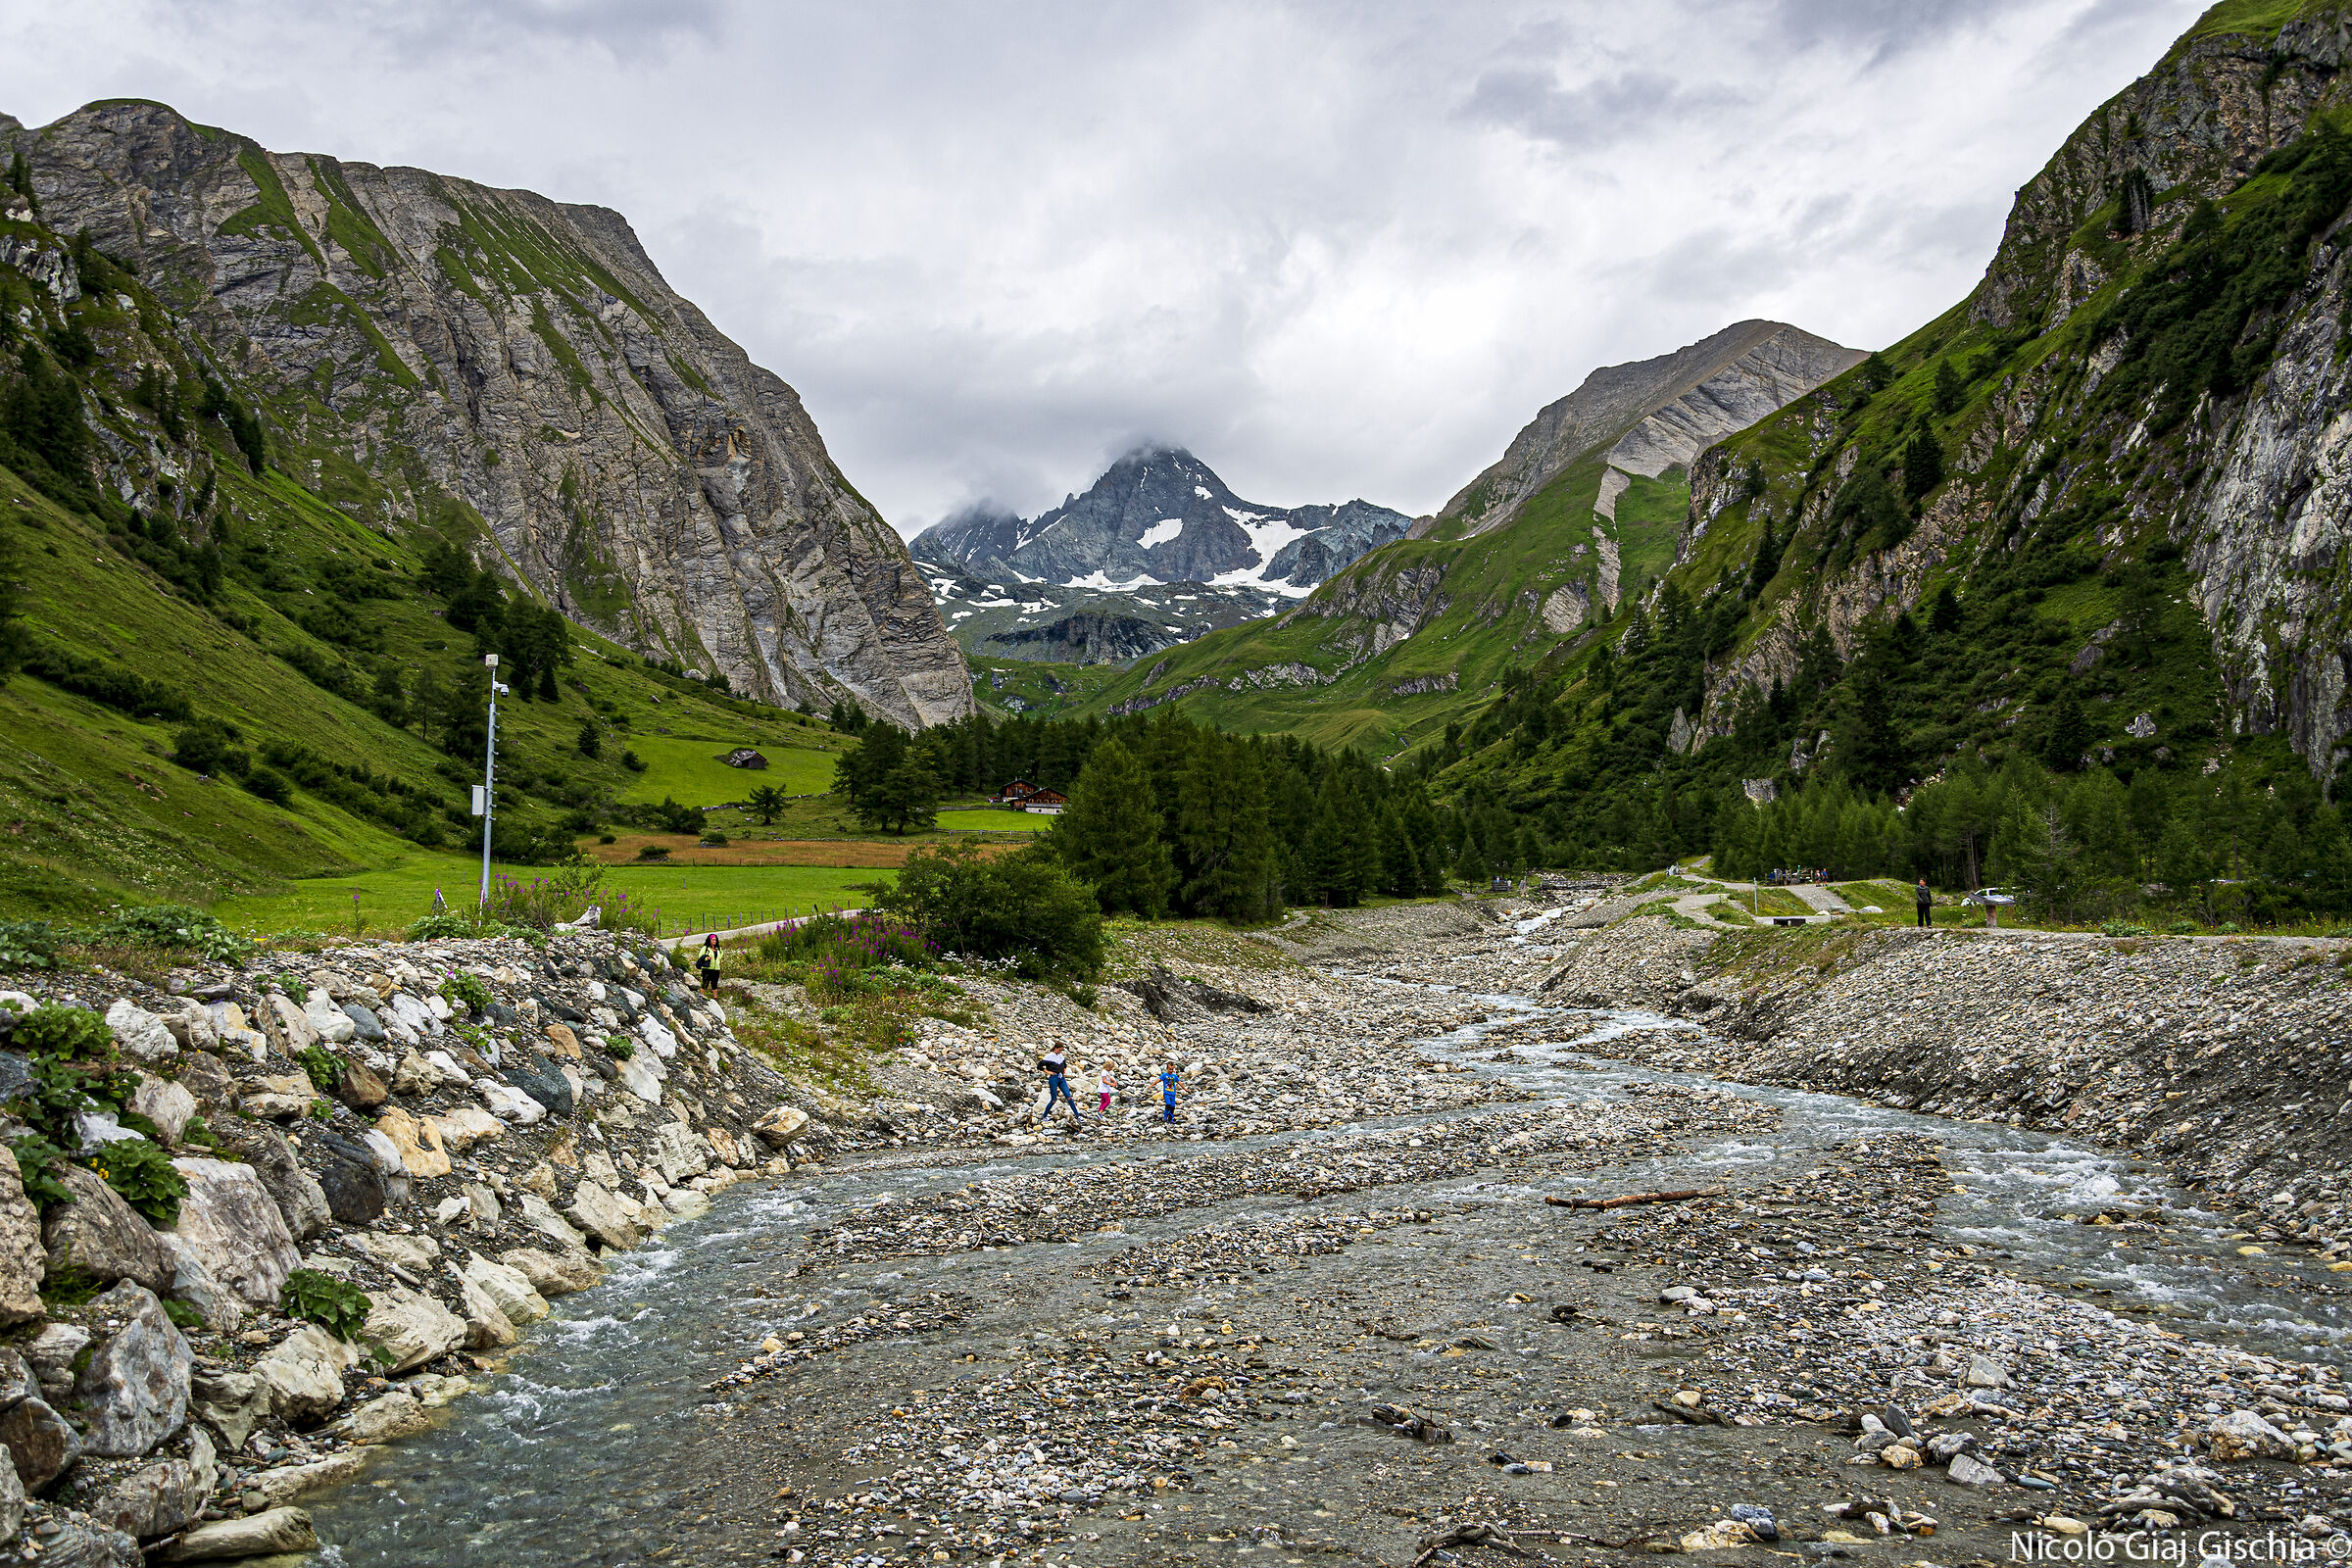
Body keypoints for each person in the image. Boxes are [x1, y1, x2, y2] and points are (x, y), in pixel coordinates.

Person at [1040, 1042, 1081, 1122]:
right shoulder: (1049, 1056)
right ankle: (1044, 1116)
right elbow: (1040, 1066)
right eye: (1060, 1050)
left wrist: (1064, 1070)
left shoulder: (1060, 1056)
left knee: (1069, 1097)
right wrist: (1048, 1072)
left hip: (1061, 1077)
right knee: (1053, 1099)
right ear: (1055, 1048)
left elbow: (1064, 1064)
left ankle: (1077, 1115)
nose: (1060, 1051)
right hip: (1054, 1078)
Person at [1158, 1060, 1180, 1124]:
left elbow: (1179, 1082)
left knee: (1172, 1106)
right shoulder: (1164, 1075)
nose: (1171, 1071)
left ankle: (1171, 1118)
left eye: (1172, 1069)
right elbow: (1158, 1080)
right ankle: (1165, 1116)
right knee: (1168, 1104)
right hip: (1167, 1093)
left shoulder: (1174, 1076)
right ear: (1167, 1069)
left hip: (1173, 1093)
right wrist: (1151, 1085)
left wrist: (1185, 1089)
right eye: (1170, 1069)